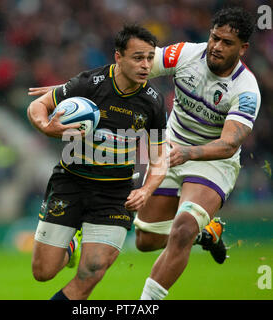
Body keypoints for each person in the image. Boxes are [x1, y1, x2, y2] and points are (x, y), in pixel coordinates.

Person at [27, 24, 168, 300]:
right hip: (70, 182)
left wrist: (146, 191)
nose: (146, 65)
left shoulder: (153, 102)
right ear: (118, 57)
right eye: (138, 58)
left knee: (91, 271)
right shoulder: (87, 84)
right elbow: (37, 106)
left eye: (150, 58)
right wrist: (47, 127)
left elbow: (159, 158)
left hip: (114, 195)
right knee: (42, 272)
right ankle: (70, 245)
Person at [136, 7, 261, 300]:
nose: (217, 46)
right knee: (145, 240)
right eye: (214, 37)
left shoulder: (246, 90)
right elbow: (135, 67)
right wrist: (79, 87)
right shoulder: (184, 54)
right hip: (171, 147)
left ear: (243, 48)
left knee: (181, 230)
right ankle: (207, 233)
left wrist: (189, 153)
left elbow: (229, 144)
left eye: (227, 43)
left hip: (212, 161)